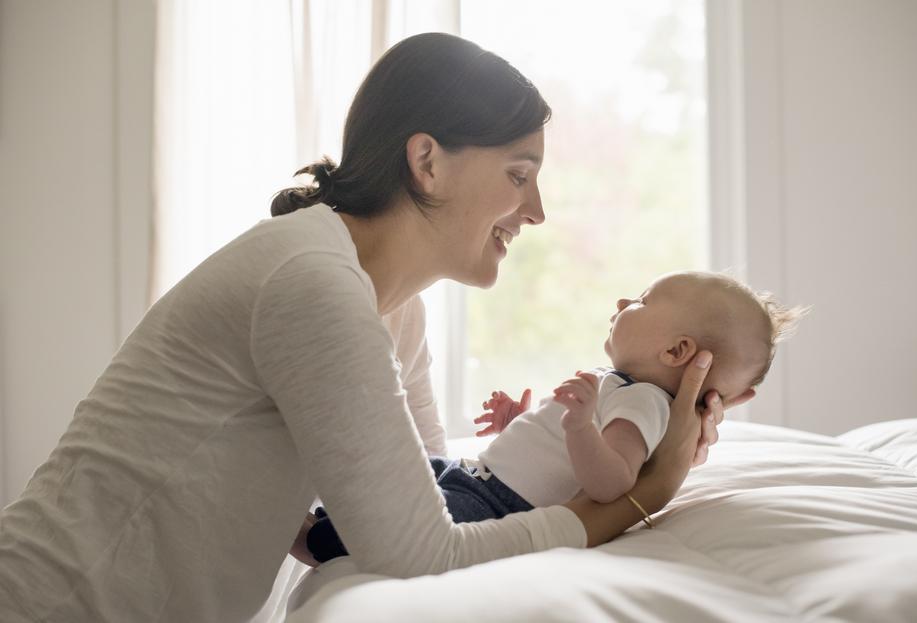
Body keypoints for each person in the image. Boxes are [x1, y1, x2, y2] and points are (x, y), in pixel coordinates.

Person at [0, 33, 745, 623]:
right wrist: (645, 491)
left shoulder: (391, 308)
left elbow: (420, 491)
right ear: (427, 160)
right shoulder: (314, 286)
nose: (538, 211)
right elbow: (421, 551)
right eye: (519, 175)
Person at [302, 271, 802, 563]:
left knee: (406, 521)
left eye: (643, 301)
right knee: (402, 474)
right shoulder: (619, 386)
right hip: (480, 477)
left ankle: (322, 539)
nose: (624, 302)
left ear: (677, 350)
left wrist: (580, 426)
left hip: (499, 503)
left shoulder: (644, 403)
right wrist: (520, 422)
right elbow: (559, 455)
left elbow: (611, 481)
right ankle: (328, 506)